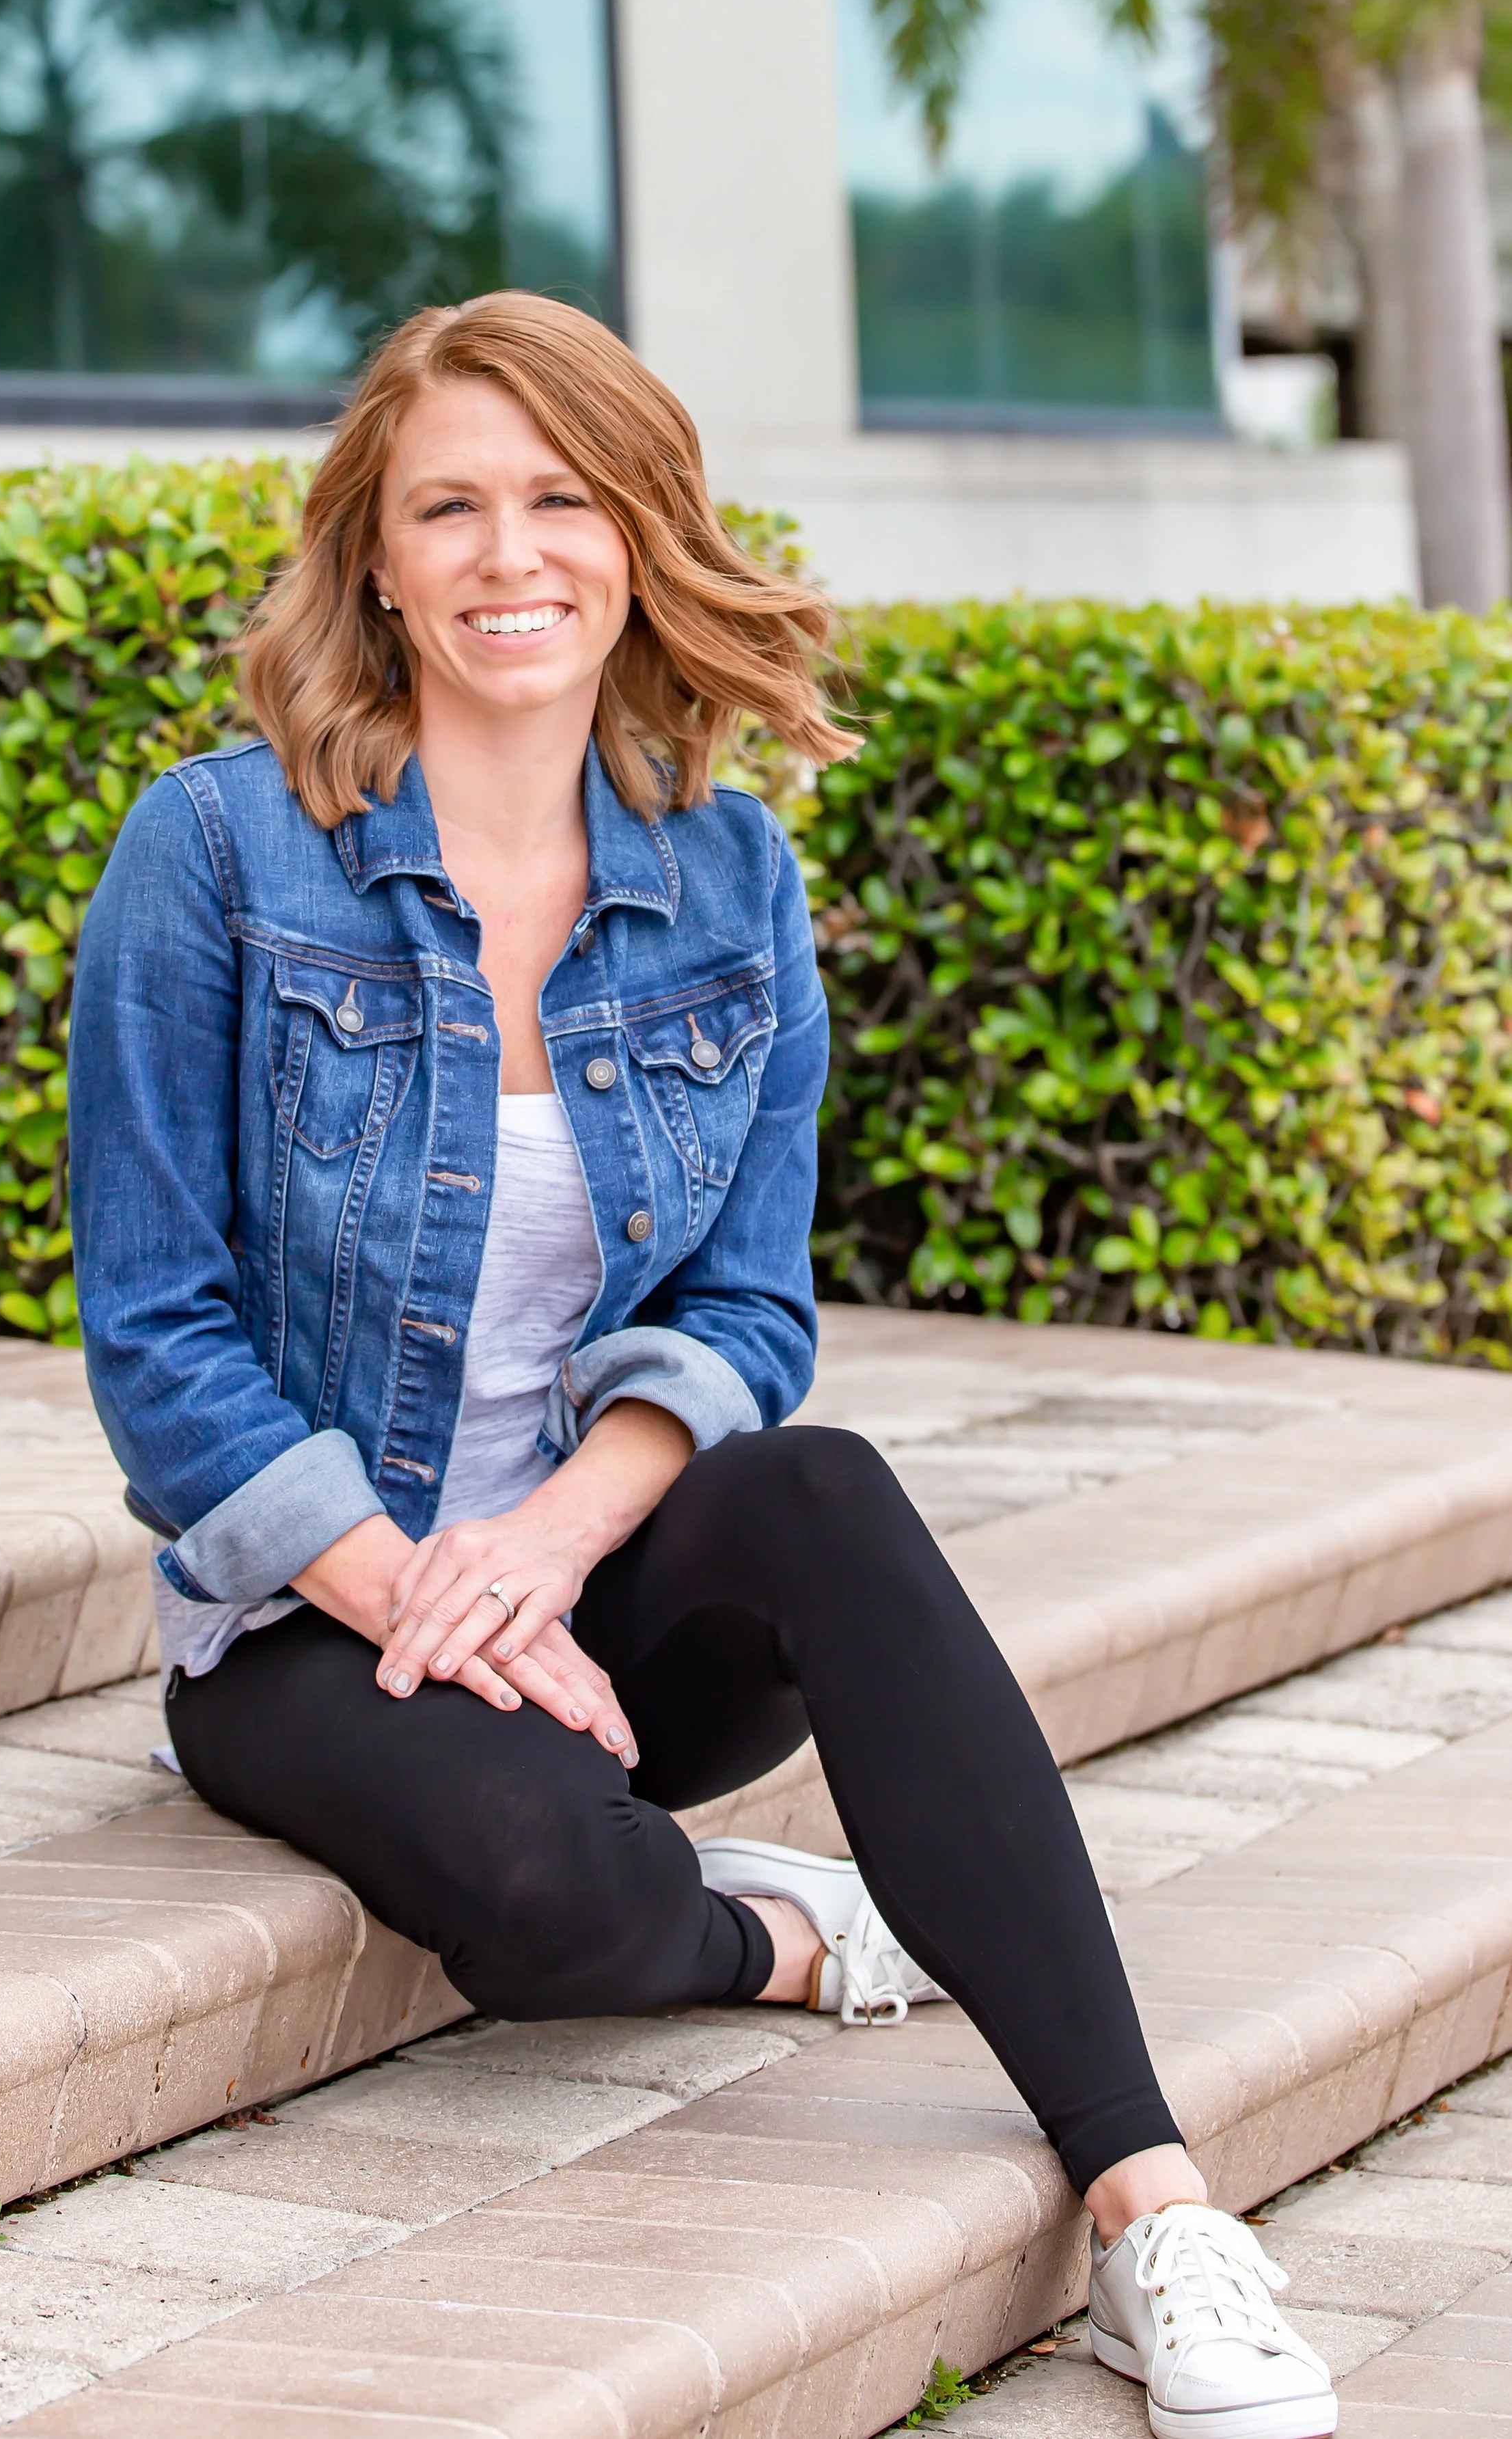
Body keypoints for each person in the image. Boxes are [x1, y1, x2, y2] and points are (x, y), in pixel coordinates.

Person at [68, 291, 1336, 2439]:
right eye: (448, 505)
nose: (508, 554)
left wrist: (547, 1552)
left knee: (820, 1480)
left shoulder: (727, 878)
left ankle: (1149, 2208)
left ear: (641, 536)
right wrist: (419, 1588)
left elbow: (746, 1306)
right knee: (561, 1902)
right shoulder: (215, 855)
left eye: (561, 498)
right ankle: (778, 1936)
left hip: (599, 1602)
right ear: (370, 553)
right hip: (309, 1620)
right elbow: (155, 1331)